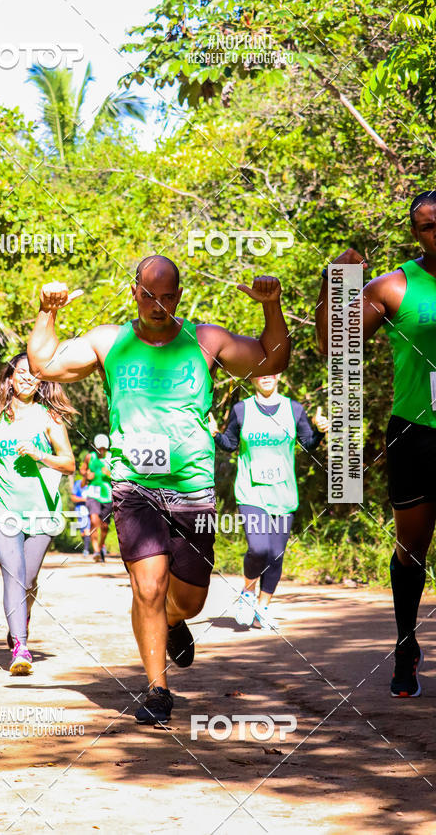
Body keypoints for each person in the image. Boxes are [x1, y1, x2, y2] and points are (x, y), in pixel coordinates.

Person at [27, 255, 290, 724]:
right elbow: (43, 364)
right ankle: (156, 689)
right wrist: (48, 311)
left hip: (194, 490)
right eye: (149, 295)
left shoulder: (206, 339)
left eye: (168, 296)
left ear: (179, 297)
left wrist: (272, 307)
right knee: (147, 587)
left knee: (190, 599)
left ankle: (173, 622)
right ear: (135, 294)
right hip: (134, 487)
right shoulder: (111, 341)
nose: (158, 305)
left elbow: (274, 359)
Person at [315, 191, 436, 698]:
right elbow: (333, 348)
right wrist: (331, 283)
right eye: (428, 226)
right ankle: (406, 644)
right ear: (416, 233)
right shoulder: (394, 286)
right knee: (412, 546)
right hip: (417, 432)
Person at [0, 352, 75, 676]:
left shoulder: (50, 419)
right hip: (0, 505)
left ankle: (20, 621)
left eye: (35, 374)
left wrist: (39, 454)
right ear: (11, 377)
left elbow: (69, 463)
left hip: (41, 511)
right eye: (22, 373)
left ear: (42, 380)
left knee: (28, 580)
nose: (28, 378)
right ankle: (21, 646)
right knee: (14, 574)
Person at [210, 374, 328, 630]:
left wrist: (319, 431)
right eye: (259, 372)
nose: (266, 376)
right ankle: (247, 594)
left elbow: (307, 444)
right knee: (259, 548)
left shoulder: (294, 409)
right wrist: (215, 434)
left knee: (276, 554)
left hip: (283, 495)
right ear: (251, 378)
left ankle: (262, 608)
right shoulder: (242, 409)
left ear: (280, 375)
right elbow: (230, 444)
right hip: (251, 492)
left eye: (271, 371)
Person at [84, 434, 113, 562]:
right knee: (94, 520)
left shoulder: (112, 457)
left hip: (107, 494)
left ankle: (101, 546)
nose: (101, 450)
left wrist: (111, 474)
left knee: (105, 526)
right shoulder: (90, 457)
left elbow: (122, 474)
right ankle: (96, 551)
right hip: (92, 493)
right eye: (99, 448)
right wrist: (86, 475)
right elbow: (82, 470)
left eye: (103, 448)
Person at [70, 457, 92, 556]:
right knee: (83, 532)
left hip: (92, 510)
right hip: (81, 510)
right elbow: (73, 498)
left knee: (89, 530)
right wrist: (85, 500)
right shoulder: (78, 484)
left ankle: (87, 550)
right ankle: (87, 546)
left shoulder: (94, 484)